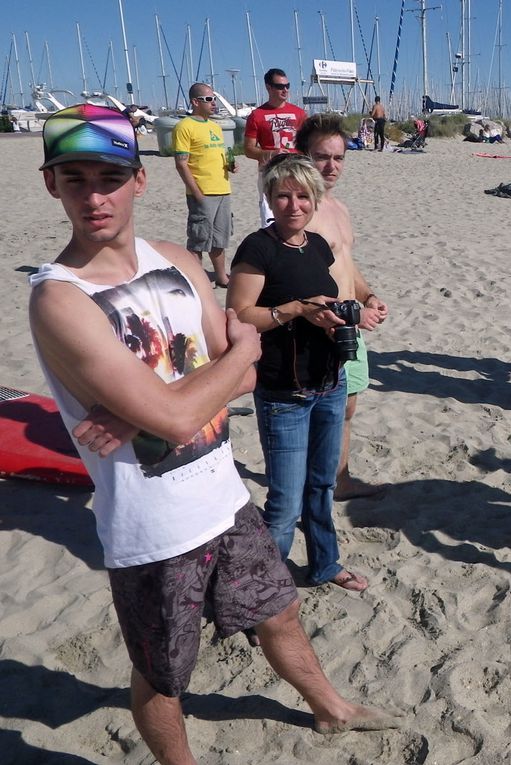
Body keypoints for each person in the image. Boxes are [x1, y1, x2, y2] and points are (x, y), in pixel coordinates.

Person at [29, 104, 396, 763]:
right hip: (151, 530)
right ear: (51, 184)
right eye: (75, 178)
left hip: (224, 497)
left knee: (280, 610)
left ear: (139, 181)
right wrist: (196, 384)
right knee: (163, 674)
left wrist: (149, 401)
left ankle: (332, 709)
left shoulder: (175, 261)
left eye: (109, 176)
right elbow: (210, 384)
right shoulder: (61, 296)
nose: (94, 195)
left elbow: (249, 373)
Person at [227, 154, 370, 591]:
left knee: (322, 486)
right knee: (286, 502)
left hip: (330, 381)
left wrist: (347, 313)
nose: (294, 204)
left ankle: (325, 564)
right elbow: (237, 316)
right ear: (269, 198)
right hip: (284, 392)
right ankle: (262, 594)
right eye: (284, 195)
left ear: (316, 199)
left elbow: (330, 296)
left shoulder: (317, 245)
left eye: (303, 195)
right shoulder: (258, 248)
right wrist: (294, 310)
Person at [296, 112, 390, 500]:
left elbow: (346, 264)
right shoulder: (300, 212)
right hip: (320, 324)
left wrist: (368, 295)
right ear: (303, 157)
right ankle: (310, 484)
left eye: (339, 157)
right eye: (322, 157)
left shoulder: (338, 208)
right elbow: (299, 279)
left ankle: (340, 478)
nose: (331, 166)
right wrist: (347, 309)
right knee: (315, 412)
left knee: (348, 407)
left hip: (350, 321)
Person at [172, 82, 234, 288]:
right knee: (199, 239)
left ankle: (221, 276)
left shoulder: (214, 126)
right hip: (202, 193)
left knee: (219, 239)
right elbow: (181, 163)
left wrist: (230, 165)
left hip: (223, 190)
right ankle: (197, 279)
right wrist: (197, 192)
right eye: (209, 99)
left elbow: (221, 155)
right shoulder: (184, 127)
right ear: (195, 102)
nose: (213, 103)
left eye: (214, 98)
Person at [243, 68, 307, 227]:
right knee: (271, 217)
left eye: (287, 86)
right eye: (279, 86)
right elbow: (248, 149)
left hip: (295, 170)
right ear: (268, 87)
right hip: (269, 172)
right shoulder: (257, 115)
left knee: (297, 213)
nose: (285, 90)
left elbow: (308, 145)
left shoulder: (299, 113)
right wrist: (272, 153)